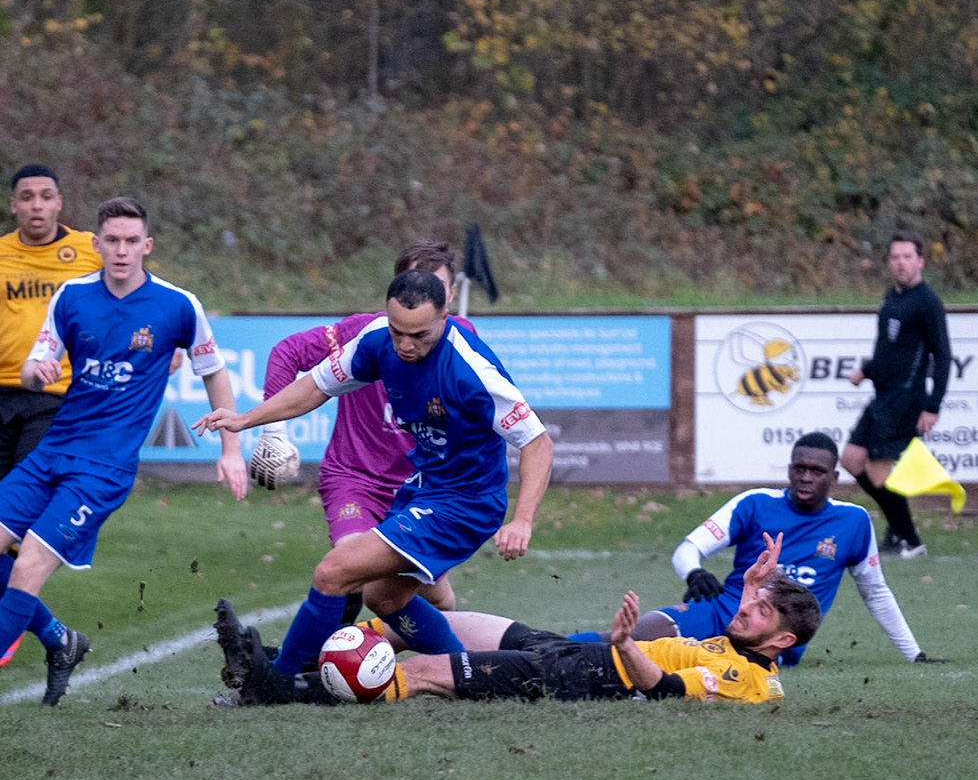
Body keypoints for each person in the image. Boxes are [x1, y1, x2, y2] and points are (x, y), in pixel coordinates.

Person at [0, 196, 248, 706]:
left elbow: (214, 372)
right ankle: (60, 641)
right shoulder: (72, 297)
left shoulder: (179, 305)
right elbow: (33, 368)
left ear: (147, 245)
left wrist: (231, 447)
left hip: (104, 470)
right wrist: (37, 371)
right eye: (112, 240)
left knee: (27, 565)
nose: (121, 250)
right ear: (96, 244)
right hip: (54, 451)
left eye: (131, 241)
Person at [197, 268, 554, 687]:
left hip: (466, 502)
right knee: (383, 596)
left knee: (334, 571)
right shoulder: (377, 340)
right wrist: (247, 419)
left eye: (419, 335)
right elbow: (315, 386)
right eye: (398, 331)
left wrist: (522, 520)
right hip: (425, 488)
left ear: (444, 317)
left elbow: (537, 442)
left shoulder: (470, 368)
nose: (406, 345)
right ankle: (470, 678)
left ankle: (278, 683)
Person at [214, 534, 815, 707]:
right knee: (413, 614)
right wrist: (754, 585)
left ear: (782, 640)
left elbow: (662, 690)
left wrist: (627, 643)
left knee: (423, 671)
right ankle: (289, 659)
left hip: (587, 678)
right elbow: (741, 619)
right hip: (571, 652)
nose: (746, 610)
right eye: (752, 602)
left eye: (760, 612)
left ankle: (285, 689)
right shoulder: (742, 644)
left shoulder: (748, 680)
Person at [256, 240, 468, 619]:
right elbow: (287, 353)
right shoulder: (361, 332)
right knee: (352, 566)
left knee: (439, 599)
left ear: (449, 296)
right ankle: (314, 654)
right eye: (412, 283)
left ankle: (448, 650)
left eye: (434, 287)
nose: (421, 294)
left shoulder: (462, 342)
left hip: (421, 490)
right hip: (355, 479)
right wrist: (273, 433)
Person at [599, 431, 929, 666]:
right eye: (799, 468)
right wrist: (694, 573)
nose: (806, 477)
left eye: (817, 471)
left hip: (773, 636)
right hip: (724, 610)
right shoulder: (755, 503)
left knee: (677, 659)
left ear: (834, 477)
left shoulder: (853, 521)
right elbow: (688, 549)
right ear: (789, 470)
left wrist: (914, 653)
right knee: (636, 634)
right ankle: (566, 648)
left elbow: (875, 592)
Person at [0, 164, 101, 531]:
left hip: (57, 393)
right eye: (27, 198)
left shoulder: (89, 249)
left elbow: (135, 291)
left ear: (59, 203)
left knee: (26, 501)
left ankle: (29, 567)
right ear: (14, 205)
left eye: (45, 197)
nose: (36, 205)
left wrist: (162, 342)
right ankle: (13, 573)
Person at [841, 231, 951, 558]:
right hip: (884, 396)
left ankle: (911, 541)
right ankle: (897, 531)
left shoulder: (927, 302)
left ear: (920, 261)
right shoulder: (892, 297)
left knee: (878, 472)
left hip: (905, 399)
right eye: (895, 257)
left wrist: (933, 406)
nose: (900, 263)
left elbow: (943, 355)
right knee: (851, 459)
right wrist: (867, 370)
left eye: (907, 257)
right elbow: (890, 349)